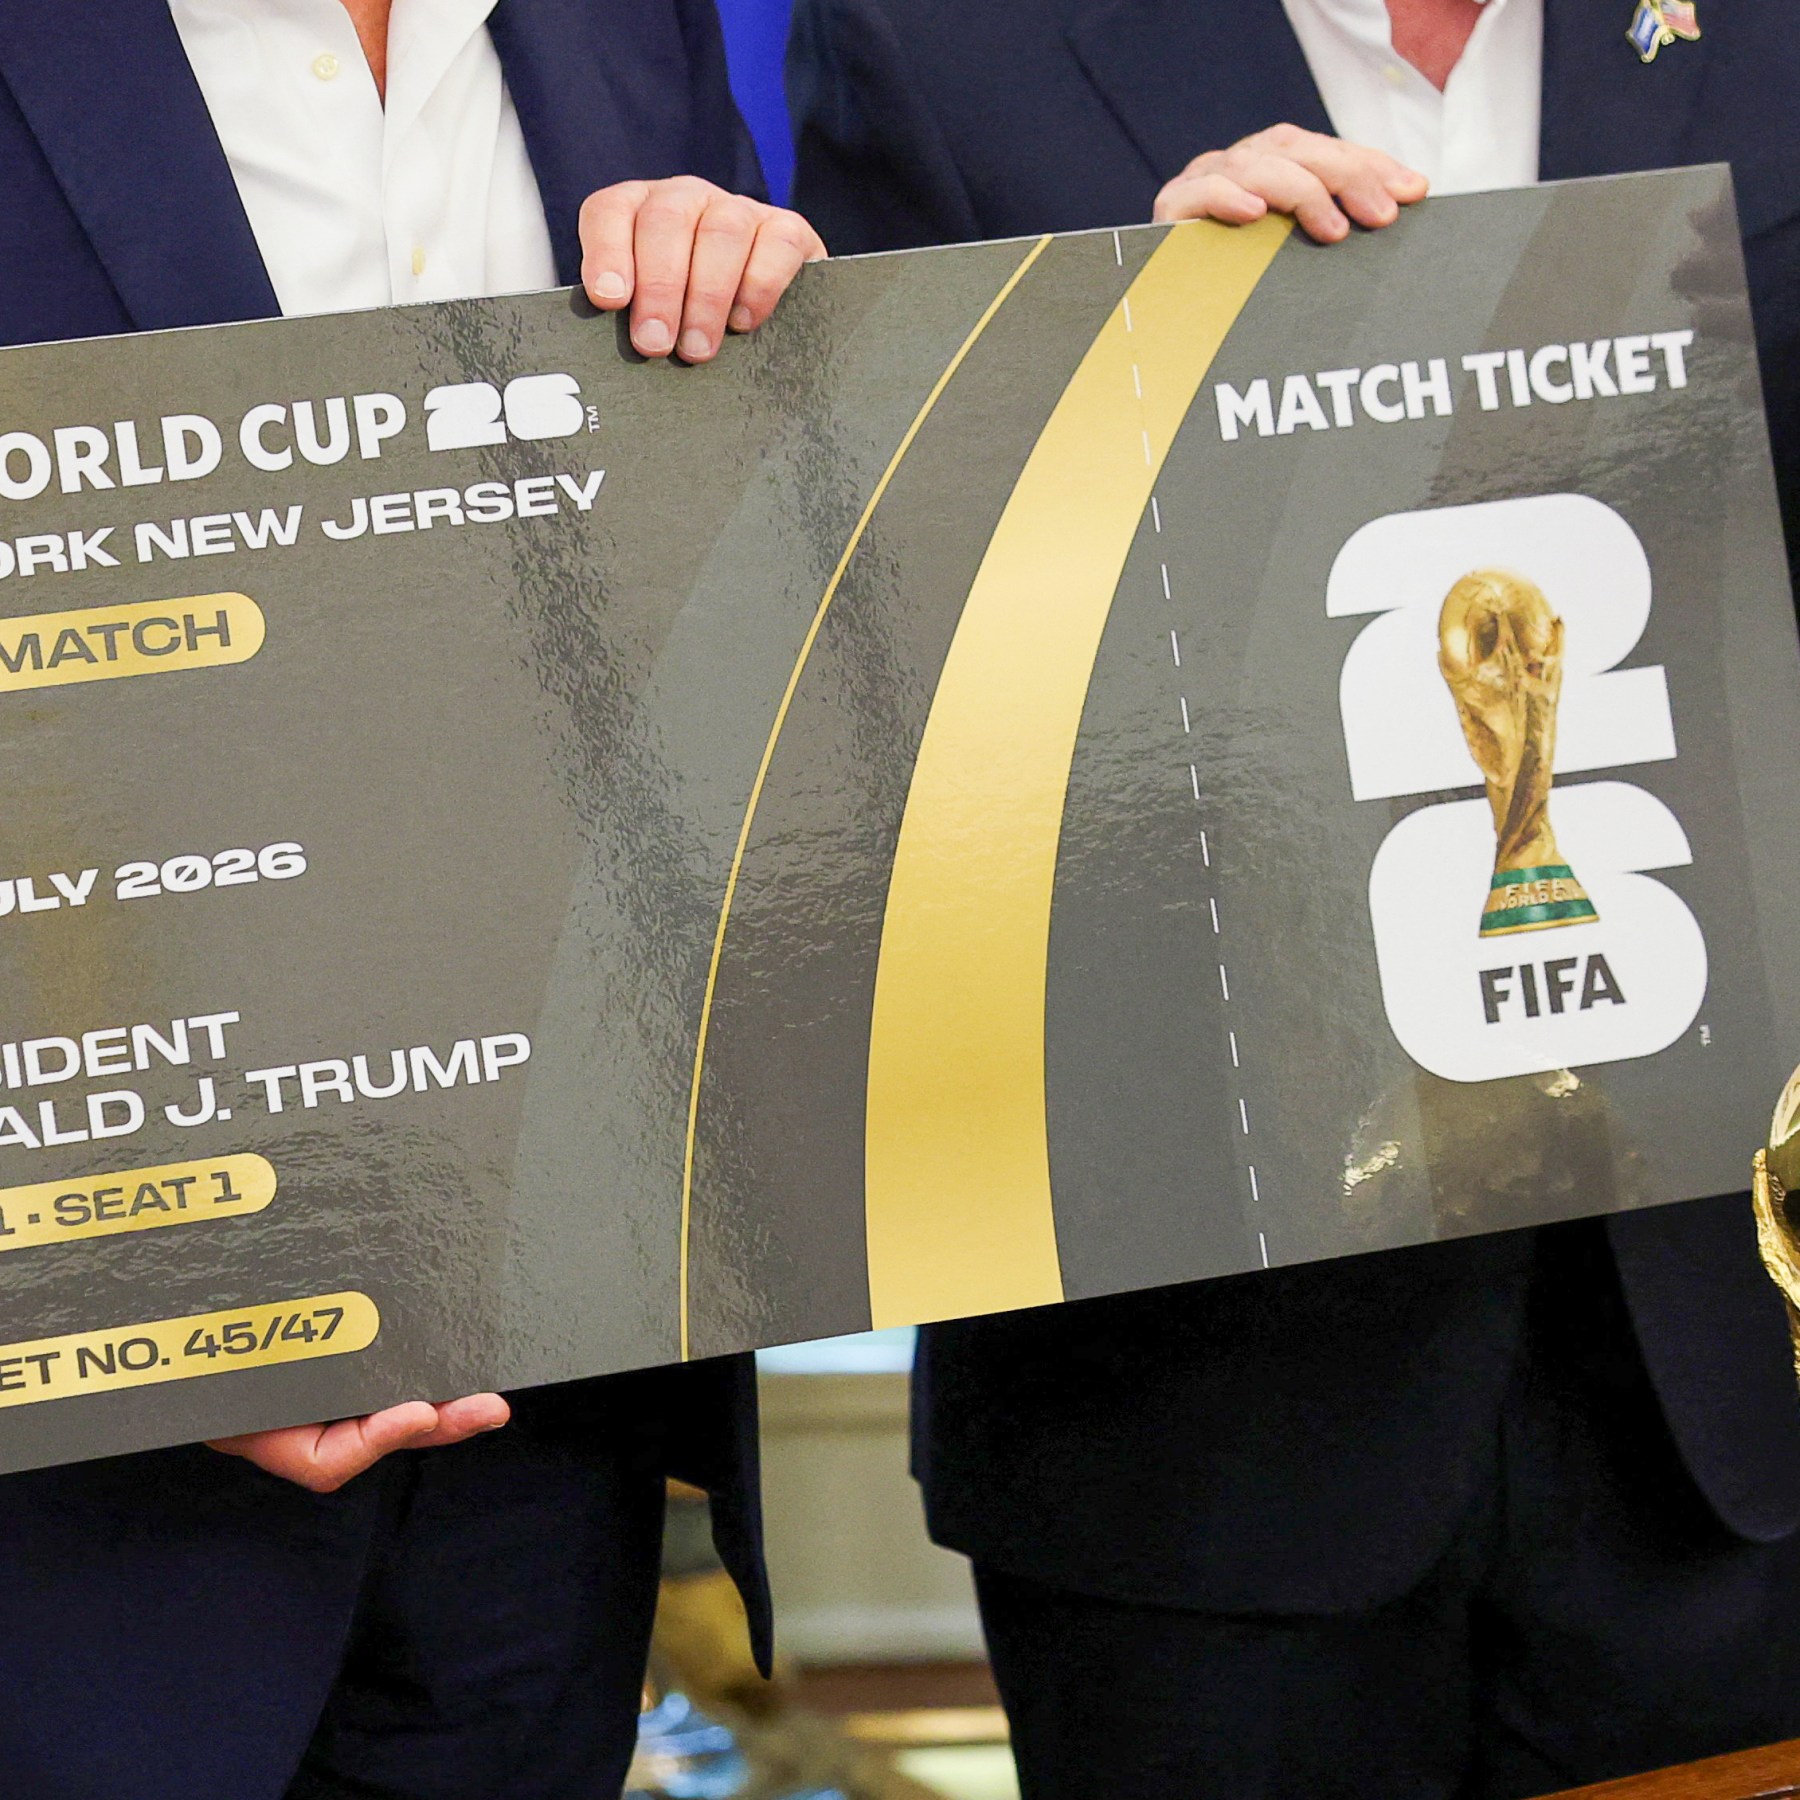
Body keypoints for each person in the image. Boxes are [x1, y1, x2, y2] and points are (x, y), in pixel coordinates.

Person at [788, 1, 1800, 1794]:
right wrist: (1107, 381)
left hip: (1733, 1363)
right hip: (1199, 1414)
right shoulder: (938, 42)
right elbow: (845, 699)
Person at [0, 3, 823, 1797]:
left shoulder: (626, 26)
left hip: (551, 1406)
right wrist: (83, 1285)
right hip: (69, 1464)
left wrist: (800, 363)